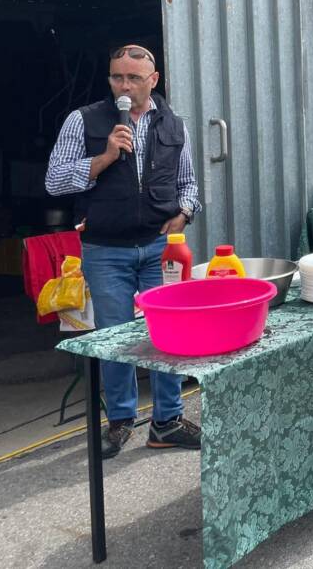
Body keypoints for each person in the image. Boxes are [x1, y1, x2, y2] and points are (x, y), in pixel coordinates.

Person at [46, 44, 204, 459]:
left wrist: (184, 214)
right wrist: (105, 157)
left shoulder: (174, 124)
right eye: (117, 77)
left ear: (153, 80)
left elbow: (188, 183)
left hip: (160, 247)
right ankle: (119, 421)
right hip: (105, 249)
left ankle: (167, 422)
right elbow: (54, 181)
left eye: (134, 78)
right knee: (115, 337)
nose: (124, 85)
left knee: (168, 334)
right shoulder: (83, 120)